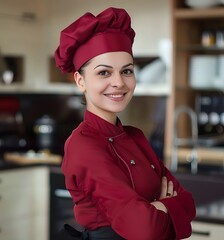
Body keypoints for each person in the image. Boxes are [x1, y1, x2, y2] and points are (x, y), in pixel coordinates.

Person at [54, 7, 196, 240]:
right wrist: (164, 205)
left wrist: (156, 210)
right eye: (104, 73)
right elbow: (144, 229)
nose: (119, 83)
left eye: (127, 71)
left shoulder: (135, 136)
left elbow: (189, 203)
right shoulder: (83, 145)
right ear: (80, 80)